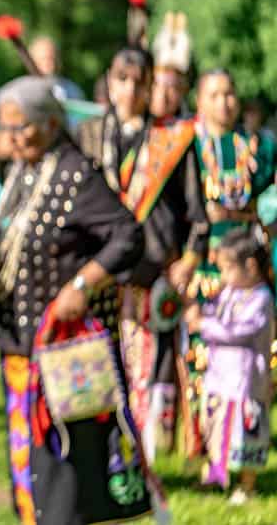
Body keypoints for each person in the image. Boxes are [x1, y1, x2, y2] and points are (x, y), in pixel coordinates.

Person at [0, 75, 160, 525]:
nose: (11, 139)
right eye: (5, 129)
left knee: (65, 468)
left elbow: (127, 235)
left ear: (50, 123)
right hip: (18, 345)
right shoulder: (23, 171)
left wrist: (82, 286)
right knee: (31, 464)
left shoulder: (76, 175)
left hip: (64, 351)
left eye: (19, 127)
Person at [77, 46, 208, 460]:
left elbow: (197, 212)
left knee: (145, 368)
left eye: (140, 81)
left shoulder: (173, 141)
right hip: (98, 270)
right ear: (110, 81)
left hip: (150, 271)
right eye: (122, 79)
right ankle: (100, 453)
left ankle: (141, 458)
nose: (130, 89)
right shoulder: (89, 134)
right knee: (99, 364)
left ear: (151, 85)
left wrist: (189, 259)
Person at [180, 69, 277, 460]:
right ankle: (207, 448)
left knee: (257, 350)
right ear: (200, 101)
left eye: (230, 92)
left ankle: (250, 441)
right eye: (215, 94)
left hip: (252, 263)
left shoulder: (259, 146)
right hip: (207, 265)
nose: (225, 101)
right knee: (205, 356)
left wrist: (259, 220)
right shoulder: (189, 146)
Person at [185, 228, 273, 503]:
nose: (222, 276)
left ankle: (247, 484)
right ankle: (216, 475)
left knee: (246, 433)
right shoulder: (231, 292)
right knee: (216, 428)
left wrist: (204, 324)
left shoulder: (261, 298)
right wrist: (198, 310)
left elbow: (240, 330)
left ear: (251, 266)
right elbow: (218, 315)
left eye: (227, 269)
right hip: (220, 377)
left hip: (245, 380)